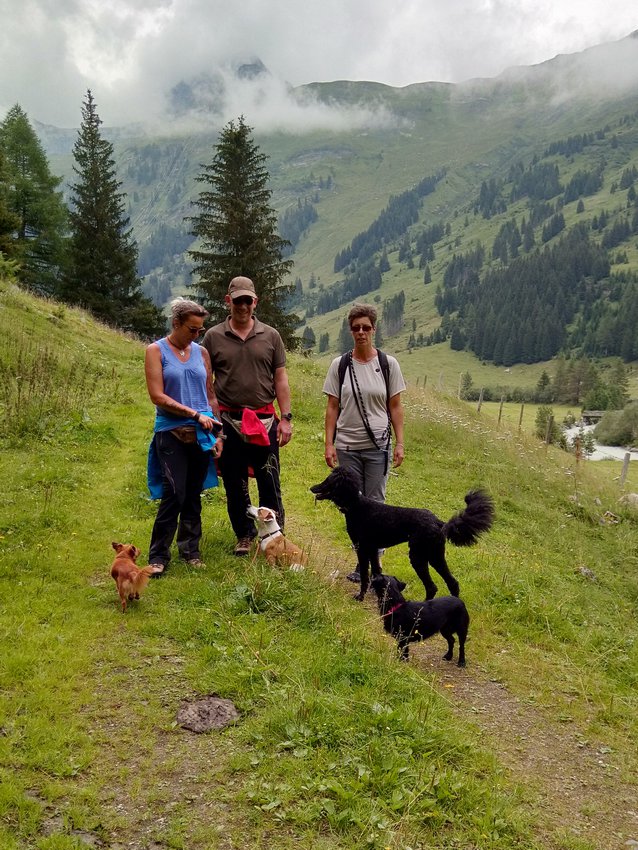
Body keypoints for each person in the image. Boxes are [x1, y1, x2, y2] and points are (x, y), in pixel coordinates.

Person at [202, 276, 293, 556]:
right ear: (228, 301)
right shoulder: (213, 336)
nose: (243, 306)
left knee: (269, 479)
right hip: (229, 421)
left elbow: (280, 378)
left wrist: (286, 417)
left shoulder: (271, 335)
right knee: (234, 481)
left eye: (247, 300)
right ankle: (244, 534)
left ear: (255, 302)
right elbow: (208, 383)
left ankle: (277, 535)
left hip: (265, 420)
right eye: (237, 300)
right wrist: (214, 423)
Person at [322, 303, 406, 581]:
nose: (361, 332)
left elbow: (395, 406)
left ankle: (374, 567)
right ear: (350, 330)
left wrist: (400, 443)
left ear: (374, 329)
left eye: (366, 327)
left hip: (378, 446)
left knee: (376, 504)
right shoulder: (340, 365)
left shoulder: (387, 364)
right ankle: (362, 561)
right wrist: (329, 443)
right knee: (353, 506)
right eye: (356, 327)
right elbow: (332, 406)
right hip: (347, 445)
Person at [145, 297, 223, 574]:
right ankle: (158, 556)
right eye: (192, 329)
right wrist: (193, 414)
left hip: (203, 432)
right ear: (175, 323)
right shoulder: (156, 351)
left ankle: (191, 551)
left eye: (200, 329)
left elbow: (210, 394)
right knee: (174, 493)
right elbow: (157, 395)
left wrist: (219, 433)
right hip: (171, 431)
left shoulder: (201, 353)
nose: (197, 334)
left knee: (193, 493)